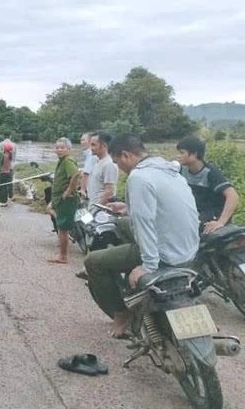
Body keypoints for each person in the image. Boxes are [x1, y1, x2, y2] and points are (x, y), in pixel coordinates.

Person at [84, 134, 199, 337]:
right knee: (121, 222)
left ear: (126, 155)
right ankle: (128, 272)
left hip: (164, 251)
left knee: (93, 261)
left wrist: (148, 265)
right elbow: (161, 209)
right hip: (189, 248)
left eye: (118, 161)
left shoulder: (138, 177)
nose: (119, 167)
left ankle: (121, 314)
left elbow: (144, 224)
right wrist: (128, 208)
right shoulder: (170, 171)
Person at [176, 136, 240, 235]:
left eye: (182, 153)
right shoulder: (181, 170)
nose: (178, 156)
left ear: (194, 154)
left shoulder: (210, 172)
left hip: (212, 213)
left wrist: (221, 222)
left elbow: (233, 196)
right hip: (195, 211)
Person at [47, 138, 80, 264]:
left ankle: (63, 256)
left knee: (63, 229)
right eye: (57, 147)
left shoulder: (67, 161)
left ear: (68, 149)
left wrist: (68, 191)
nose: (59, 150)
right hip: (59, 199)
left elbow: (76, 174)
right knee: (61, 226)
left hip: (67, 199)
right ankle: (61, 252)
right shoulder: (62, 161)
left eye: (62, 148)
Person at [86, 131, 119, 206]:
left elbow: (109, 191)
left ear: (104, 146)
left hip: (101, 211)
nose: (91, 148)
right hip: (93, 206)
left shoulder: (109, 164)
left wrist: (97, 208)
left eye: (93, 145)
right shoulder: (98, 162)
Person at [79, 132, 96, 199]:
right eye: (81, 140)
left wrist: (83, 189)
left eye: (83, 140)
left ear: (90, 141)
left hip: (90, 188)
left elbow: (86, 173)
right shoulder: (88, 153)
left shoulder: (90, 154)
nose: (81, 142)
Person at [0, 140, 15, 206]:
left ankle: (3, 202)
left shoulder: (3, 155)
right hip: (8, 173)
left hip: (2, 173)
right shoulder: (10, 156)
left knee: (2, 188)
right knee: (6, 187)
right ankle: (8, 199)